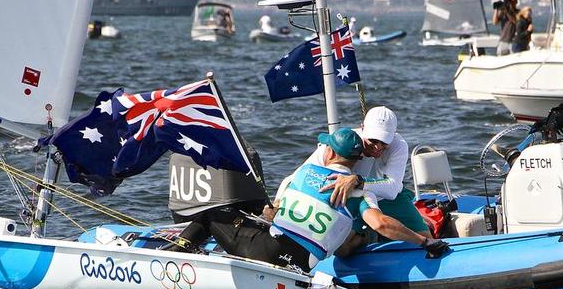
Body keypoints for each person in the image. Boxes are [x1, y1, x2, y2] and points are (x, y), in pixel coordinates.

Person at [178, 128, 448, 270]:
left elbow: (277, 207)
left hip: (265, 252)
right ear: (358, 161)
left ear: (329, 153)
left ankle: (177, 253)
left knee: (211, 214)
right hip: (298, 265)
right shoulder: (360, 191)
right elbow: (381, 224)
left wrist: (270, 212)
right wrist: (425, 241)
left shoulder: (306, 173)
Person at [310, 106, 428, 242]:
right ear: (362, 128)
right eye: (373, 140)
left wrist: (357, 181)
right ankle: (370, 236)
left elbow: (392, 190)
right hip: (353, 199)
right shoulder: (341, 142)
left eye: (384, 142)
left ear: (394, 134)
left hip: (386, 197)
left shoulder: (399, 145)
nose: (378, 147)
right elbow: (302, 172)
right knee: (344, 249)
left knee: (426, 238)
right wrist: (278, 203)